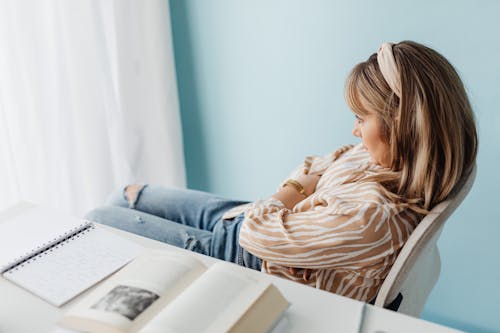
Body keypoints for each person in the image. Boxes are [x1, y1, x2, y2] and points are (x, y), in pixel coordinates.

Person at [86, 40, 477, 303]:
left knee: (98, 220)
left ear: (404, 123)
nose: (355, 130)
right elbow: (321, 162)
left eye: (361, 117)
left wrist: (293, 192)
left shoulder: (370, 218)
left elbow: (259, 230)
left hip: (246, 256)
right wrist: (296, 197)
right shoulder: (387, 159)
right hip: (263, 224)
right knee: (126, 194)